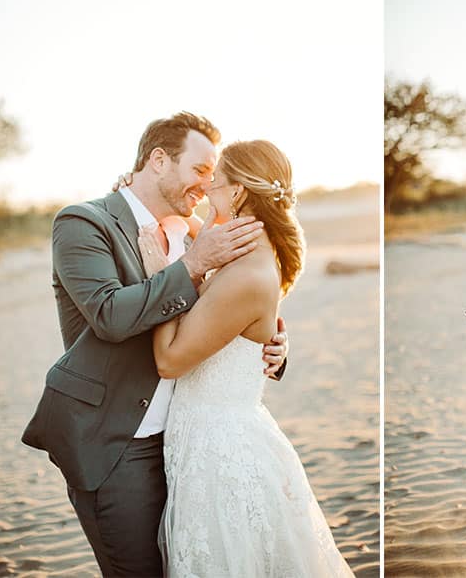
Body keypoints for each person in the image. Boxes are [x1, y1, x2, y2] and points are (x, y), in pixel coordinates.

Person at [21, 112, 289, 577]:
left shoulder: (194, 232)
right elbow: (109, 315)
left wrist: (271, 346)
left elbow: (230, 312)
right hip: (120, 443)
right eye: (200, 170)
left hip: (192, 446)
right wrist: (190, 266)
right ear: (159, 161)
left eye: (214, 175)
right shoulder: (84, 224)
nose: (207, 187)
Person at [138, 139, 354, 577]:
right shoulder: (241, 250)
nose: (204, 192)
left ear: (237, 193)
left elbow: (170, 361)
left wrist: (163, 275)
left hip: (221, 454)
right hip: (205, 438)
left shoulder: (246, 272)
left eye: (214, 182)